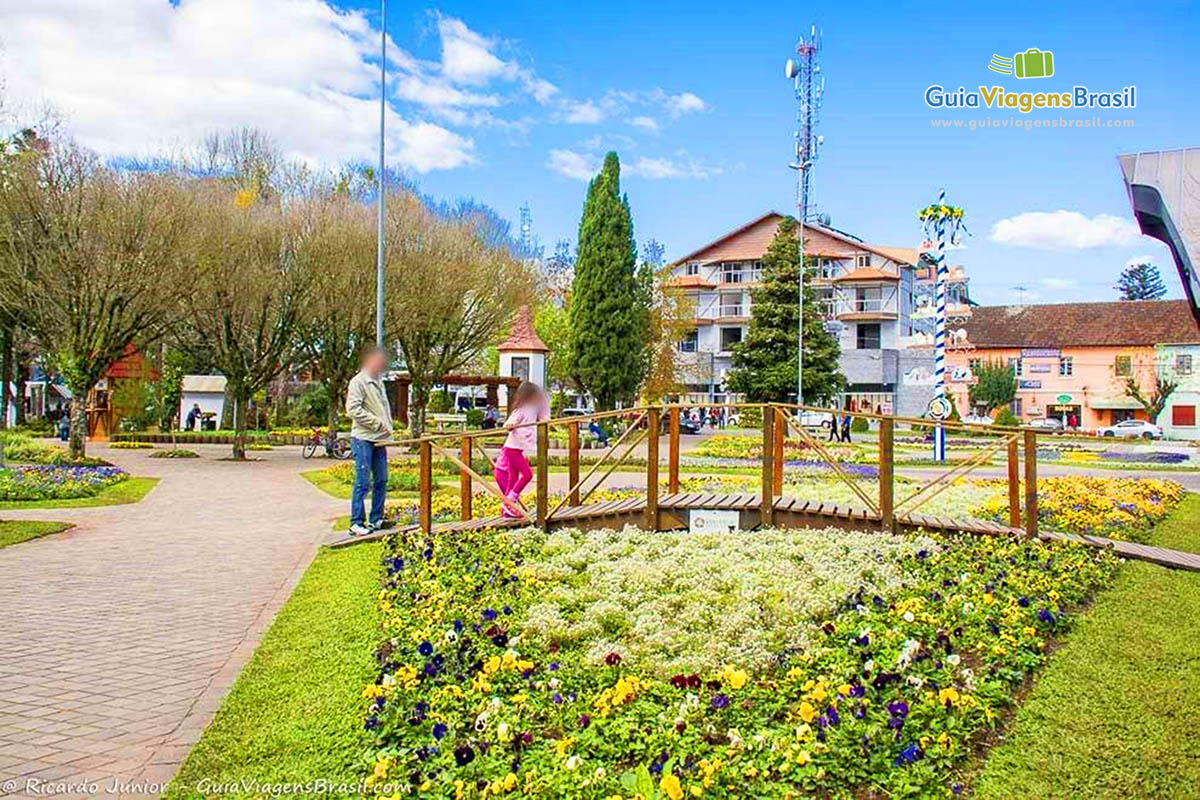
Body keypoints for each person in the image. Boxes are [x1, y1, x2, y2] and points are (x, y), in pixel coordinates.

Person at [345, 348, 394, 536]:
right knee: (362, 481)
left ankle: (376, 518)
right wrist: (377, 424)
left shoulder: (379, 382)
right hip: (363, 438)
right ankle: (356, 522)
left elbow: (382, 408)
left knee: (381, 479)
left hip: (378, 440)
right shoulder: (359, 382)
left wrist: (387, 428)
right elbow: (353, 410)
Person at [494, 381, 550, 519]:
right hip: (512, 448)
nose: (538, 397)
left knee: (513, 478)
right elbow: (509, 422)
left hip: (517, 449)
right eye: (536, 395)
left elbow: (545, 419)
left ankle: (506, 510)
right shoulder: (521, 409)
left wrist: (544, 403)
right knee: (527, 474)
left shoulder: (534, 409)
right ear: (529, 395)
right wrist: (511, 425)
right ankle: (510, 500)